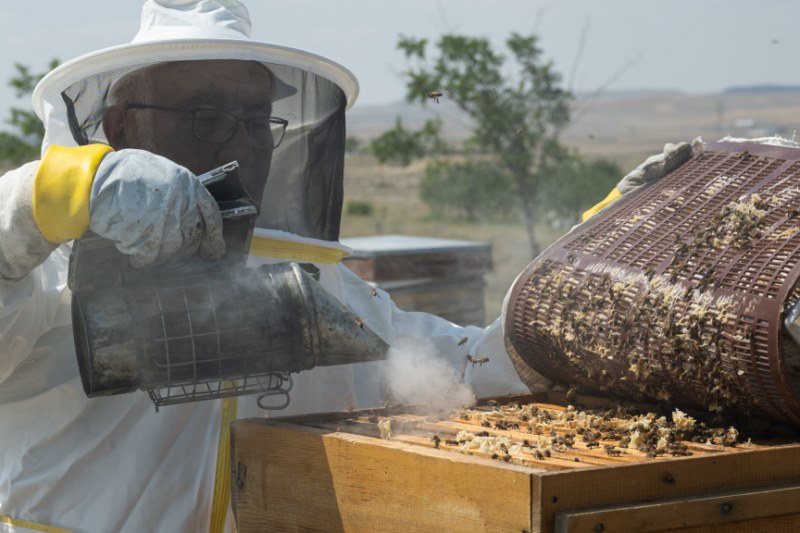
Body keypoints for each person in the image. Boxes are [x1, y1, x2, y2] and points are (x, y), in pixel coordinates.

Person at [0, 1, 537, 531]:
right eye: (206, 117)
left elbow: (461, 368)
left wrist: (573, 284)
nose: (241, 142)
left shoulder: (315, 285)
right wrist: (41, 200)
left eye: (257, 119)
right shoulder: (48, 274)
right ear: (121, 127)